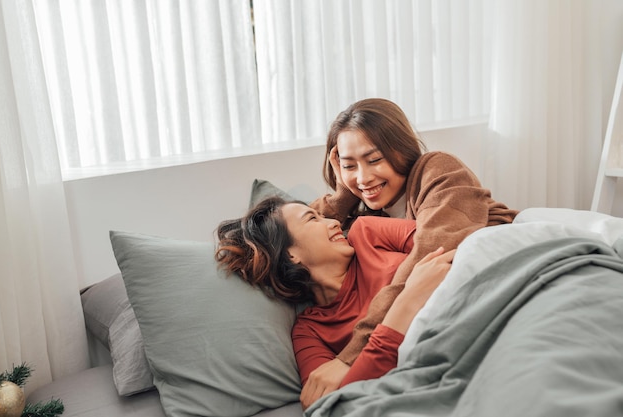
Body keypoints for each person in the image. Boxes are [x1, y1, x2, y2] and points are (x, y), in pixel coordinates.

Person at [308, 98, 519, 389]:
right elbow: (298, 229)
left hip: (511, 251)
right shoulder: (367, 213)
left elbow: (430, 258)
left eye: (374, 160)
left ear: (401, 149)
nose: (364, 177)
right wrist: (346, 190)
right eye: (349, 165)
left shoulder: (438, 168)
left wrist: (350, 357)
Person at [216, 196, 455, 409]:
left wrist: (353, 364)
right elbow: (335, 405)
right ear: (290, 254)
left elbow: (450, 240)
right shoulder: (309, 332)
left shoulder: (366, 232)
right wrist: (407, 302)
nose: (334, 222)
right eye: (312, 219)